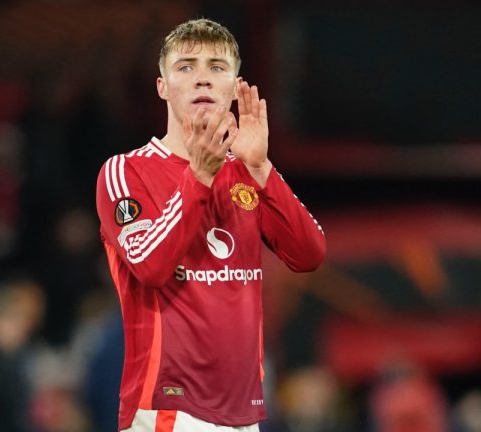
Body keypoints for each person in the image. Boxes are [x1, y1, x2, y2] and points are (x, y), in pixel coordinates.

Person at [95, 18, 326, 431]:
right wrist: (198, 178)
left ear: (235, 85)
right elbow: (149, 266)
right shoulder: (125, 171)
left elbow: (309, 254)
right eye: (186, 67)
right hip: (168, 409)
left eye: (217, 68)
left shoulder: (246, 173)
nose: (202, 78)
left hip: (244, 412)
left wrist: (262, 168)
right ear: (162, 87)